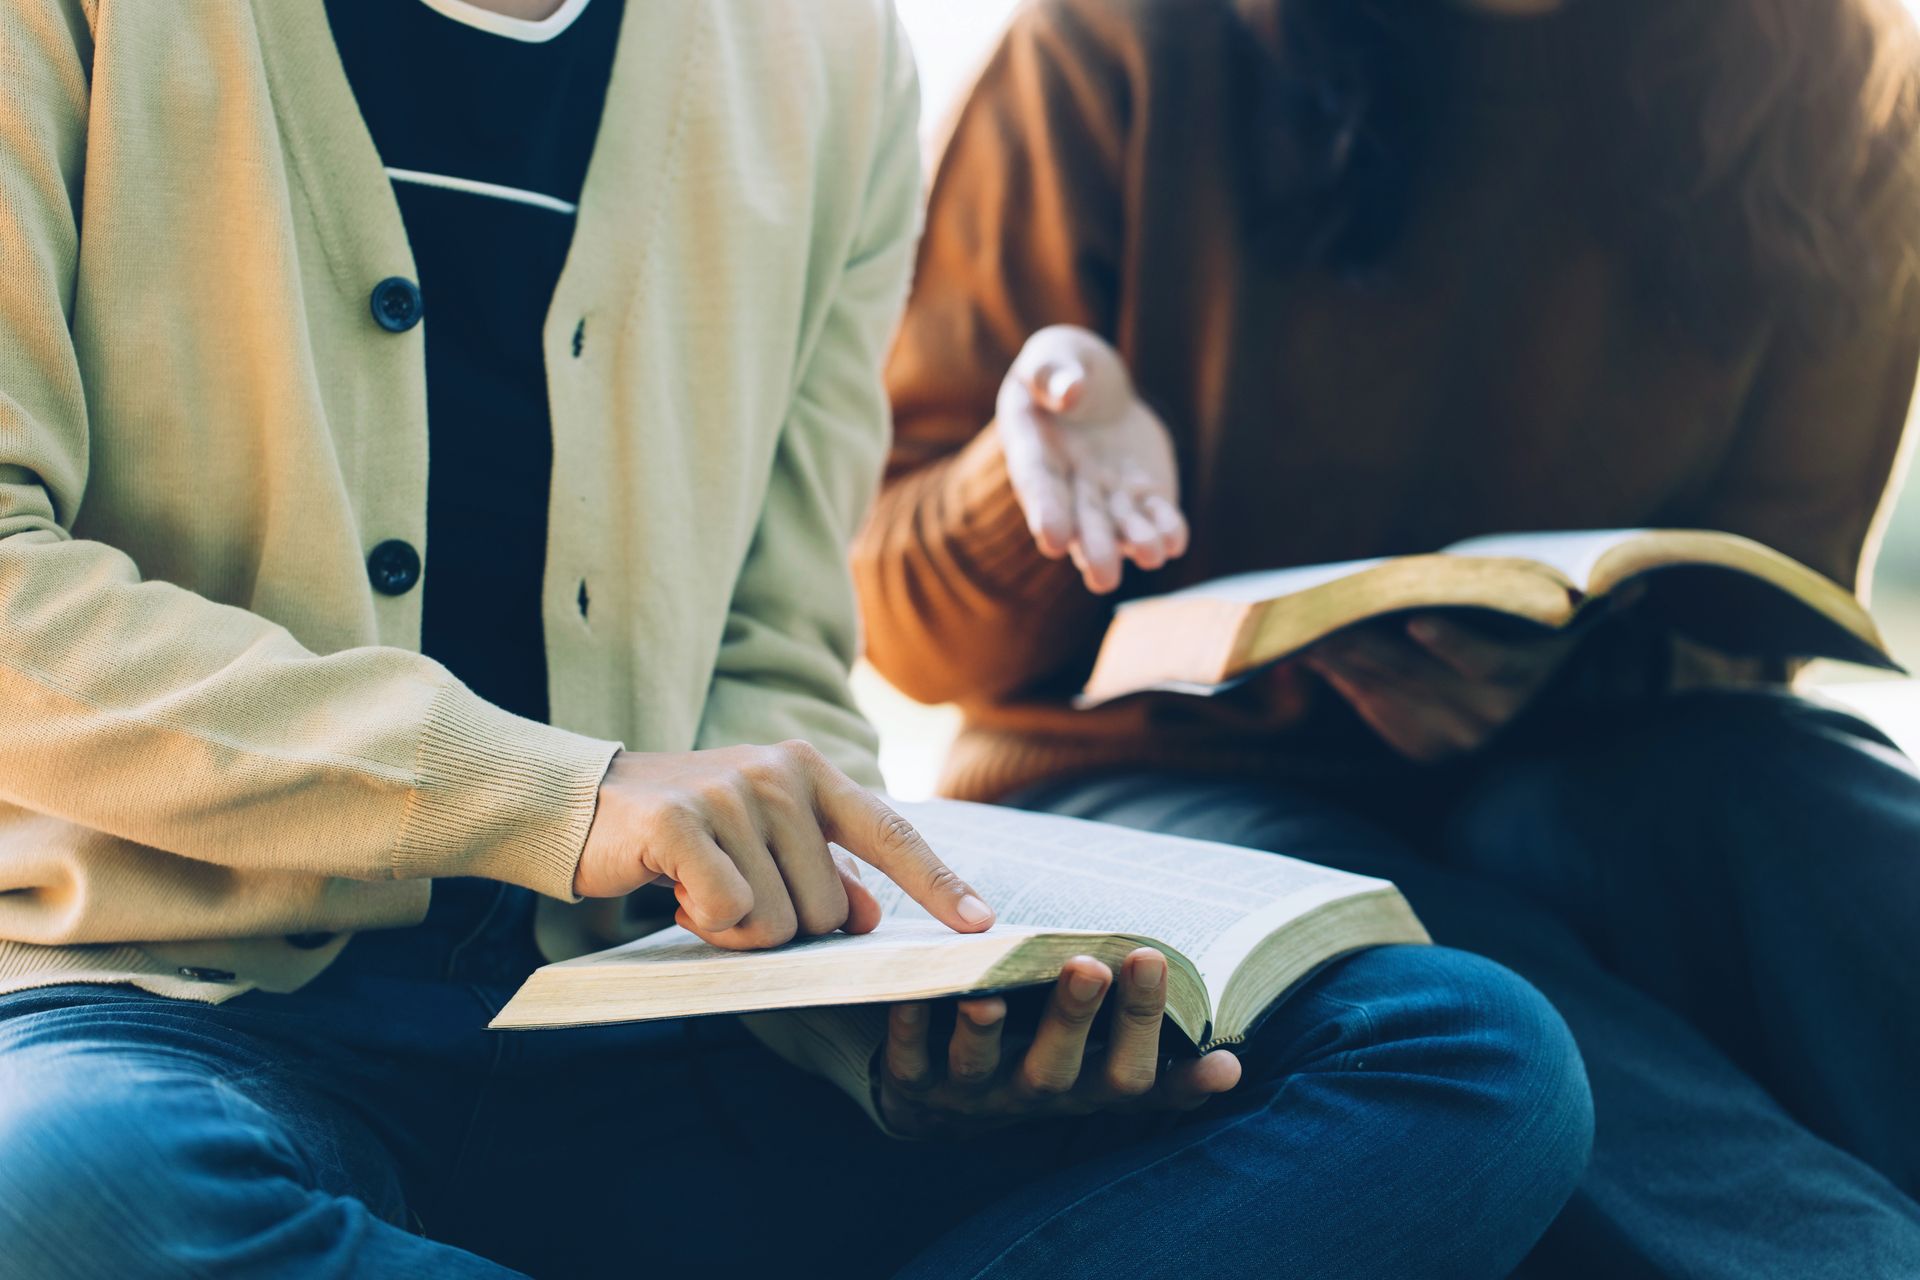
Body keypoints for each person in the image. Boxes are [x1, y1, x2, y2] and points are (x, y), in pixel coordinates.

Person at [0, 0, 1591, 1275]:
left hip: (660, 1030)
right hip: (172, 1013)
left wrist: (890, 1040)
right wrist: (570, 794)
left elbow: (768, 650)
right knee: (58, 1185)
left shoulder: (825, 54)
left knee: (1462, 1056)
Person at [856, 0, 1920, 1275]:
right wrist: (1031, 486)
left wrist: (1539, 674)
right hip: (1157, 777)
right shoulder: (1119, 43)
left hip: (1599, 754)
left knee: (1834, 834)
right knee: (1496, 1011)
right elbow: (909, 633)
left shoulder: (1840, 101)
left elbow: (1766, 613)